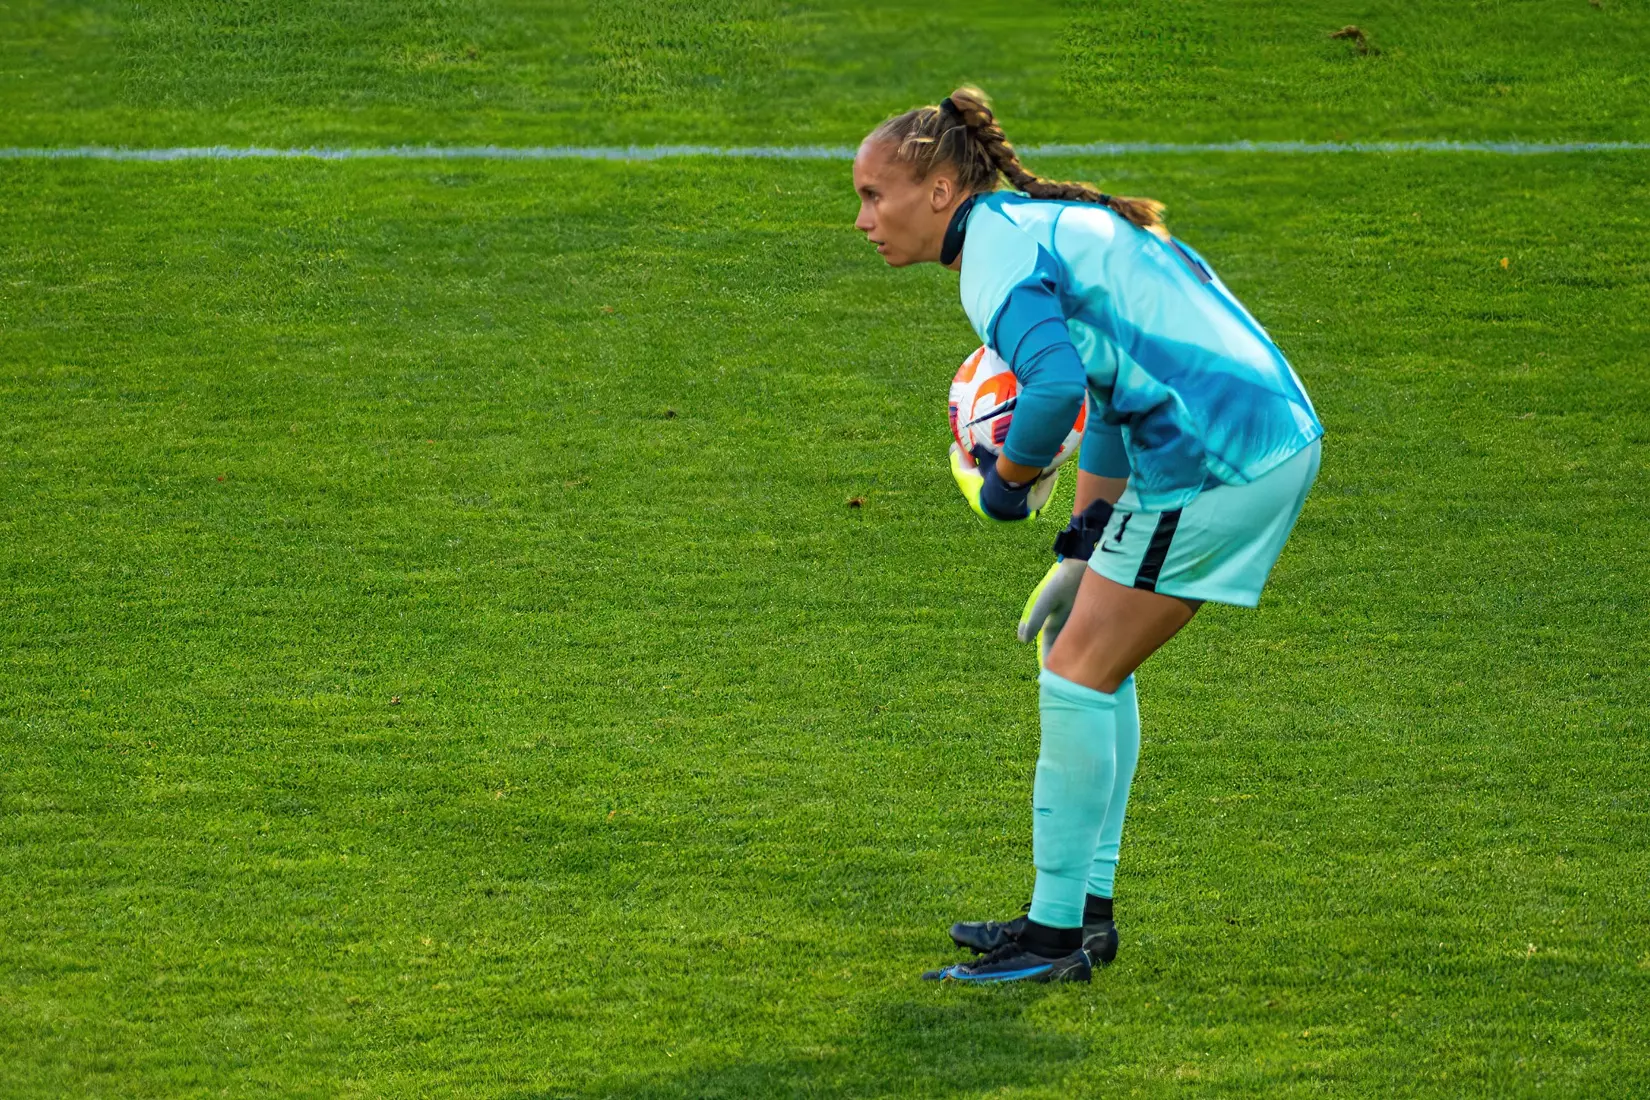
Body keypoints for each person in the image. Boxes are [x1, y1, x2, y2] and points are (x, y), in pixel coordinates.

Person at [851, 87, 1324, 983]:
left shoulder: (994, 259)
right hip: (1254, 436)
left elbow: (1056, 392)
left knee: (1076, 669)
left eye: (875, 195)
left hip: (1221, 455)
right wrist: (1082, 540)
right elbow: (1104, 397)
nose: (864, 218)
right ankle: (1083, 913)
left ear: (941, 189)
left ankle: (1053, 936)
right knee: (1084, 654)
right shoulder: (1037, 226)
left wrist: (1007, 486)